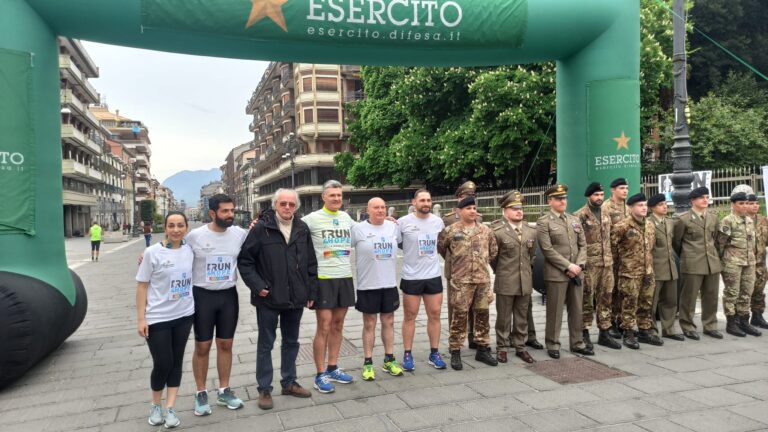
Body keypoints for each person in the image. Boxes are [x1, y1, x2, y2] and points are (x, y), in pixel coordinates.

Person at [238, 189, 316, 410]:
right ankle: (264, 388)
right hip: (269, 298)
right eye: (283, 204)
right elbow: (245, 261)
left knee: (292, 342)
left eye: (291, 204)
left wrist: (311, 292)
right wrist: (258, 286)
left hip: (295, 297)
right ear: (275, 205)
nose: (287, 207)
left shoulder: (302, 228)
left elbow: (311, 262)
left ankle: (289, 382)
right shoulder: (262, 229)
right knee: (266, 343)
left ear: (296, 206)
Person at [185, 194, 247, 416]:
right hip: (202, 296)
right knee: (202, 346)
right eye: (225, 211)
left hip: (228, 296)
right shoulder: (195, 236)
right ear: (212, 213)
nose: (230, 215)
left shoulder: (240, 234)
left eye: (232, 210)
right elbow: (175, 249)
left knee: (226, 344)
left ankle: (224, 390)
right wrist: (148, 254)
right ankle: (201, 392)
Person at [135, 211, 194, 429]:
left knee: (176, 361)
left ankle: (170, 407)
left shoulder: (190, 249)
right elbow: (142, 286)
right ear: (165, 228)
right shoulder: (152, 252)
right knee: (163, 363)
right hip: (158, 317)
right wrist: (141, 319)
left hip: (184, 315)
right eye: (171, 225)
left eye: (180, 225)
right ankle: (155, 405)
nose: (176, 230)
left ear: (186, 227)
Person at [301, 180, 356, 393]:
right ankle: (320, 373)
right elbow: (290, 227)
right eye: (332, 195)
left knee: (338, 325)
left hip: (344, 276)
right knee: (324, 326)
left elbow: (366, 229)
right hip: (323, 279)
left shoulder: (346, 218)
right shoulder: (312, 219)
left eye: (339, 195)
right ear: (323, 197)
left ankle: (333, 367)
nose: (336, 199)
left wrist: (386, 220)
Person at [438, 195, 498, 370]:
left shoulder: (486, 230)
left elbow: (493, 251)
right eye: (468, 208)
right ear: (459, 211)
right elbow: (442, 248)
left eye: (474, 208)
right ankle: (455, 350)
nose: (472, 211)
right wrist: (460, 264)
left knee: (483, 314)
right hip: (461, 281)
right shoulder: (450, 231)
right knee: (459, 315)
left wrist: (479, 263)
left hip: (482, 280)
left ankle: (482, 348)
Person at [351, 197, 404, 381]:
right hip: (367, 285)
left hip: (389, 284)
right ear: (368, 210)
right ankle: (368, 362)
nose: (380, 210)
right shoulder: (358, 229)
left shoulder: (393, 227)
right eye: (376, 208)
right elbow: (344, 249)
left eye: (383, 207)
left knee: (389, 321)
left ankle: (389, 359)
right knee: (369, 323)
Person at [536, 184, 591, 359]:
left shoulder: (574, 219)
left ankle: (577, 343)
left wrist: (579, 265)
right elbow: (547, 249)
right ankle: (553, 343)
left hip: (577, 273)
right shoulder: (544, 222)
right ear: (550, 201)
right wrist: (568, 266)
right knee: (555, 311)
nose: (563, 201)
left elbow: (583, 245)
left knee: (577, 310)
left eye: (564, 198)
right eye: (559, 199)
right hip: (556, 273)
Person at [398, 189, 447, 371]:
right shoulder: (403, 222)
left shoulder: (438, 222)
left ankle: (434, 353)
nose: (426, 203)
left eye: (428, 200)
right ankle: (407, 354)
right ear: (414, 202)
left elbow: (441, 244)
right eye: (422, 200)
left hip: (433, 275)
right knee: (410, 316)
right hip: (412, 276)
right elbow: (395, 241)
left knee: (435, 314)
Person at [490, 191, 537, 364]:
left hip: (525, 281)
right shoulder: (498, 232)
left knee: (521, 317)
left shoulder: (531, 231)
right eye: (514, 208)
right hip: (506, 280)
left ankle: (521, 347)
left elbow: (532, 256)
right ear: (505, 211)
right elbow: (493, 258)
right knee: (503, 318)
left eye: (520, 208)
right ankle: (502, 348)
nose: (519, 211)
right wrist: (503, 271)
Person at [611, 193, 662, 349]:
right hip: (629, 273)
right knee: (629, 303)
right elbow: (612, 248)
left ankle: (644, 330)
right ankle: (628, 332)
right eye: (640, 205)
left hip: (648, 271)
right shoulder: (622, 226)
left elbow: (651, 247)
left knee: (646, 302)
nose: (644, 208)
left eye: (645, 205)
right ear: (631, 207)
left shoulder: (650, 225)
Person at [574, 182, 621, 350]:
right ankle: (584, 333)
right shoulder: (580, 215)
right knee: (586, 299)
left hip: (607, 263)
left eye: (601, 195)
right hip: (589, 265)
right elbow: (576, 243)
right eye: (596, 195)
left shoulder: (607, 213)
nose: (599, 198)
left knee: (606, 298)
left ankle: (604, 332)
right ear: (589, 196)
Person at [673, 187, 723, 340]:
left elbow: (715, 239)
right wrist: (688, 255)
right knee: (689, 297)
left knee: (711, 296)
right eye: (702, 197)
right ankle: (687, 326)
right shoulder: (683, 219)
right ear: (692, 200)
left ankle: (710, 325)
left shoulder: (713, 217)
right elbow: (676, 242)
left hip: (711, 262)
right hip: (692, 263)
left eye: (707, 197)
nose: (705, 200)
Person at [442, 181, 483, 349]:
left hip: (475, 269)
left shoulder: (478, 217)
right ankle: (455, 341)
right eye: (467, 196)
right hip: (456, 270)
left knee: (475, 306)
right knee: (456, 307)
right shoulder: (448, 219)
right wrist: (455, 260)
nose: (470, 199)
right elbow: (442, 246)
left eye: (473, 196)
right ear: (459, 197)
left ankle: (473, 338)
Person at [716, 191, 761, 337]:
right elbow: (720, 244)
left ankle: (744, 321)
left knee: (746, 292)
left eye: (746, 203)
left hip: (749, 262)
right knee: (732, 293)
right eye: (741, 203)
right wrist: (722, 261)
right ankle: (731, 323)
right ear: (733, 204)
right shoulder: (728, 221)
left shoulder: (749, 220)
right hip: (732, 262)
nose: (745, 206)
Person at [647, 193, 684, 341]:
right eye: (661, 205)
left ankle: (669, 329)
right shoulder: (648, 223)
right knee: (651, 302)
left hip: (670, 268)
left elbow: (674, 244)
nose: (664, 207)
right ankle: (650, 330)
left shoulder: (669, 222)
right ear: (653, 208)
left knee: (670, 301)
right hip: (655, 268)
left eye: (665, 204)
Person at [602, 178, 629, 339]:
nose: (625, 191)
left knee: (624, 290)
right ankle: (610, 323)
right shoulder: (606, 207)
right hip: (612, 255)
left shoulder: (628, 207)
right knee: (611, 290)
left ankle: (621, 321)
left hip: (628, 257)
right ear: (613, 190)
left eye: (626, 188)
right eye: (621, 188)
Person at [747, 194, 768, 329]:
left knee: (759, 292)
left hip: (760, 263)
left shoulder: (763, 220)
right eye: (751, 203)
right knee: (743, 293)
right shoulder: (741, 220)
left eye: (756, 203)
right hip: (745, 263)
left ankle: (757, 317)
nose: (755, 206)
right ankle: (740, 319)